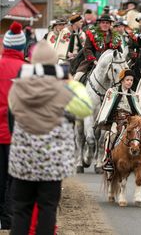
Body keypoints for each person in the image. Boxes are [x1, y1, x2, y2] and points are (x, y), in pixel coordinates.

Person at [8, 40, 93, 235]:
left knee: (21, 209)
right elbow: (85, 108)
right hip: (52, 162)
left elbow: (13, 110)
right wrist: (71, 82)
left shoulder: (19, 87)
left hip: (23, 160)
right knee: (48, 208)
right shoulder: (62, 90)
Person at [0, 21, 26, 230]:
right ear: (22, 47)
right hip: (16, 133)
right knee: (13, 179)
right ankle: (8, 220)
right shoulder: (26, 70)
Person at [95, 69, 141, 171]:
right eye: (127, 80)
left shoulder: (133, 94)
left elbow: (137, 109)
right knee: (112, 134)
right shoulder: (113, 91)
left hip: (130, 121)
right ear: (122, 80)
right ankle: (107, 158)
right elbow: (107, 106)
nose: (129, 82)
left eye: (131, 80)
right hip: (117, 120)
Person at [74, 14, 122, 81]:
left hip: (111, 64)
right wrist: (94, 61)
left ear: (110, 24)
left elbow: (119, 51)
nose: (105, 24)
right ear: (99, 24)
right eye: (103, 22)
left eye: (107, 23)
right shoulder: (92, 33)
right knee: (77, 77)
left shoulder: (115, 36)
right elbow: (87, 49)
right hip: (92, 62)